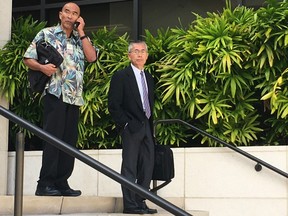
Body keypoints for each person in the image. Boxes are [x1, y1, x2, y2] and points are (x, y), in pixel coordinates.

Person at [23, 2, 97, 196]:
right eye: (67, 12)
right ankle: (44, 184)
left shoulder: (80, 39)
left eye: (74, 14)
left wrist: (81, 32)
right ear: (60, 14)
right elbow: (27, 58)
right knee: (53, 139)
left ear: (78, 19)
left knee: (68, 142)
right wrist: (42, 67)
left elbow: (92, 58)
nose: (70, 16)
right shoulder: (46, 34)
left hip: (74, 97)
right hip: (55, 94)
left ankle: (62, 183)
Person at [108, 41, 157, 214]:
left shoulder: (149, 77)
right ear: (129, 55)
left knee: (147, 166)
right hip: (131, 127)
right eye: (136, 51)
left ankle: (140, 201)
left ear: (147, 55)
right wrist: (126, 124)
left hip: (147, 127)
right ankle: (130, 205)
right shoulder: (121, 76)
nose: (140, 54)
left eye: (143, 51)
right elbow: (114, 104)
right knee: (129, 166)